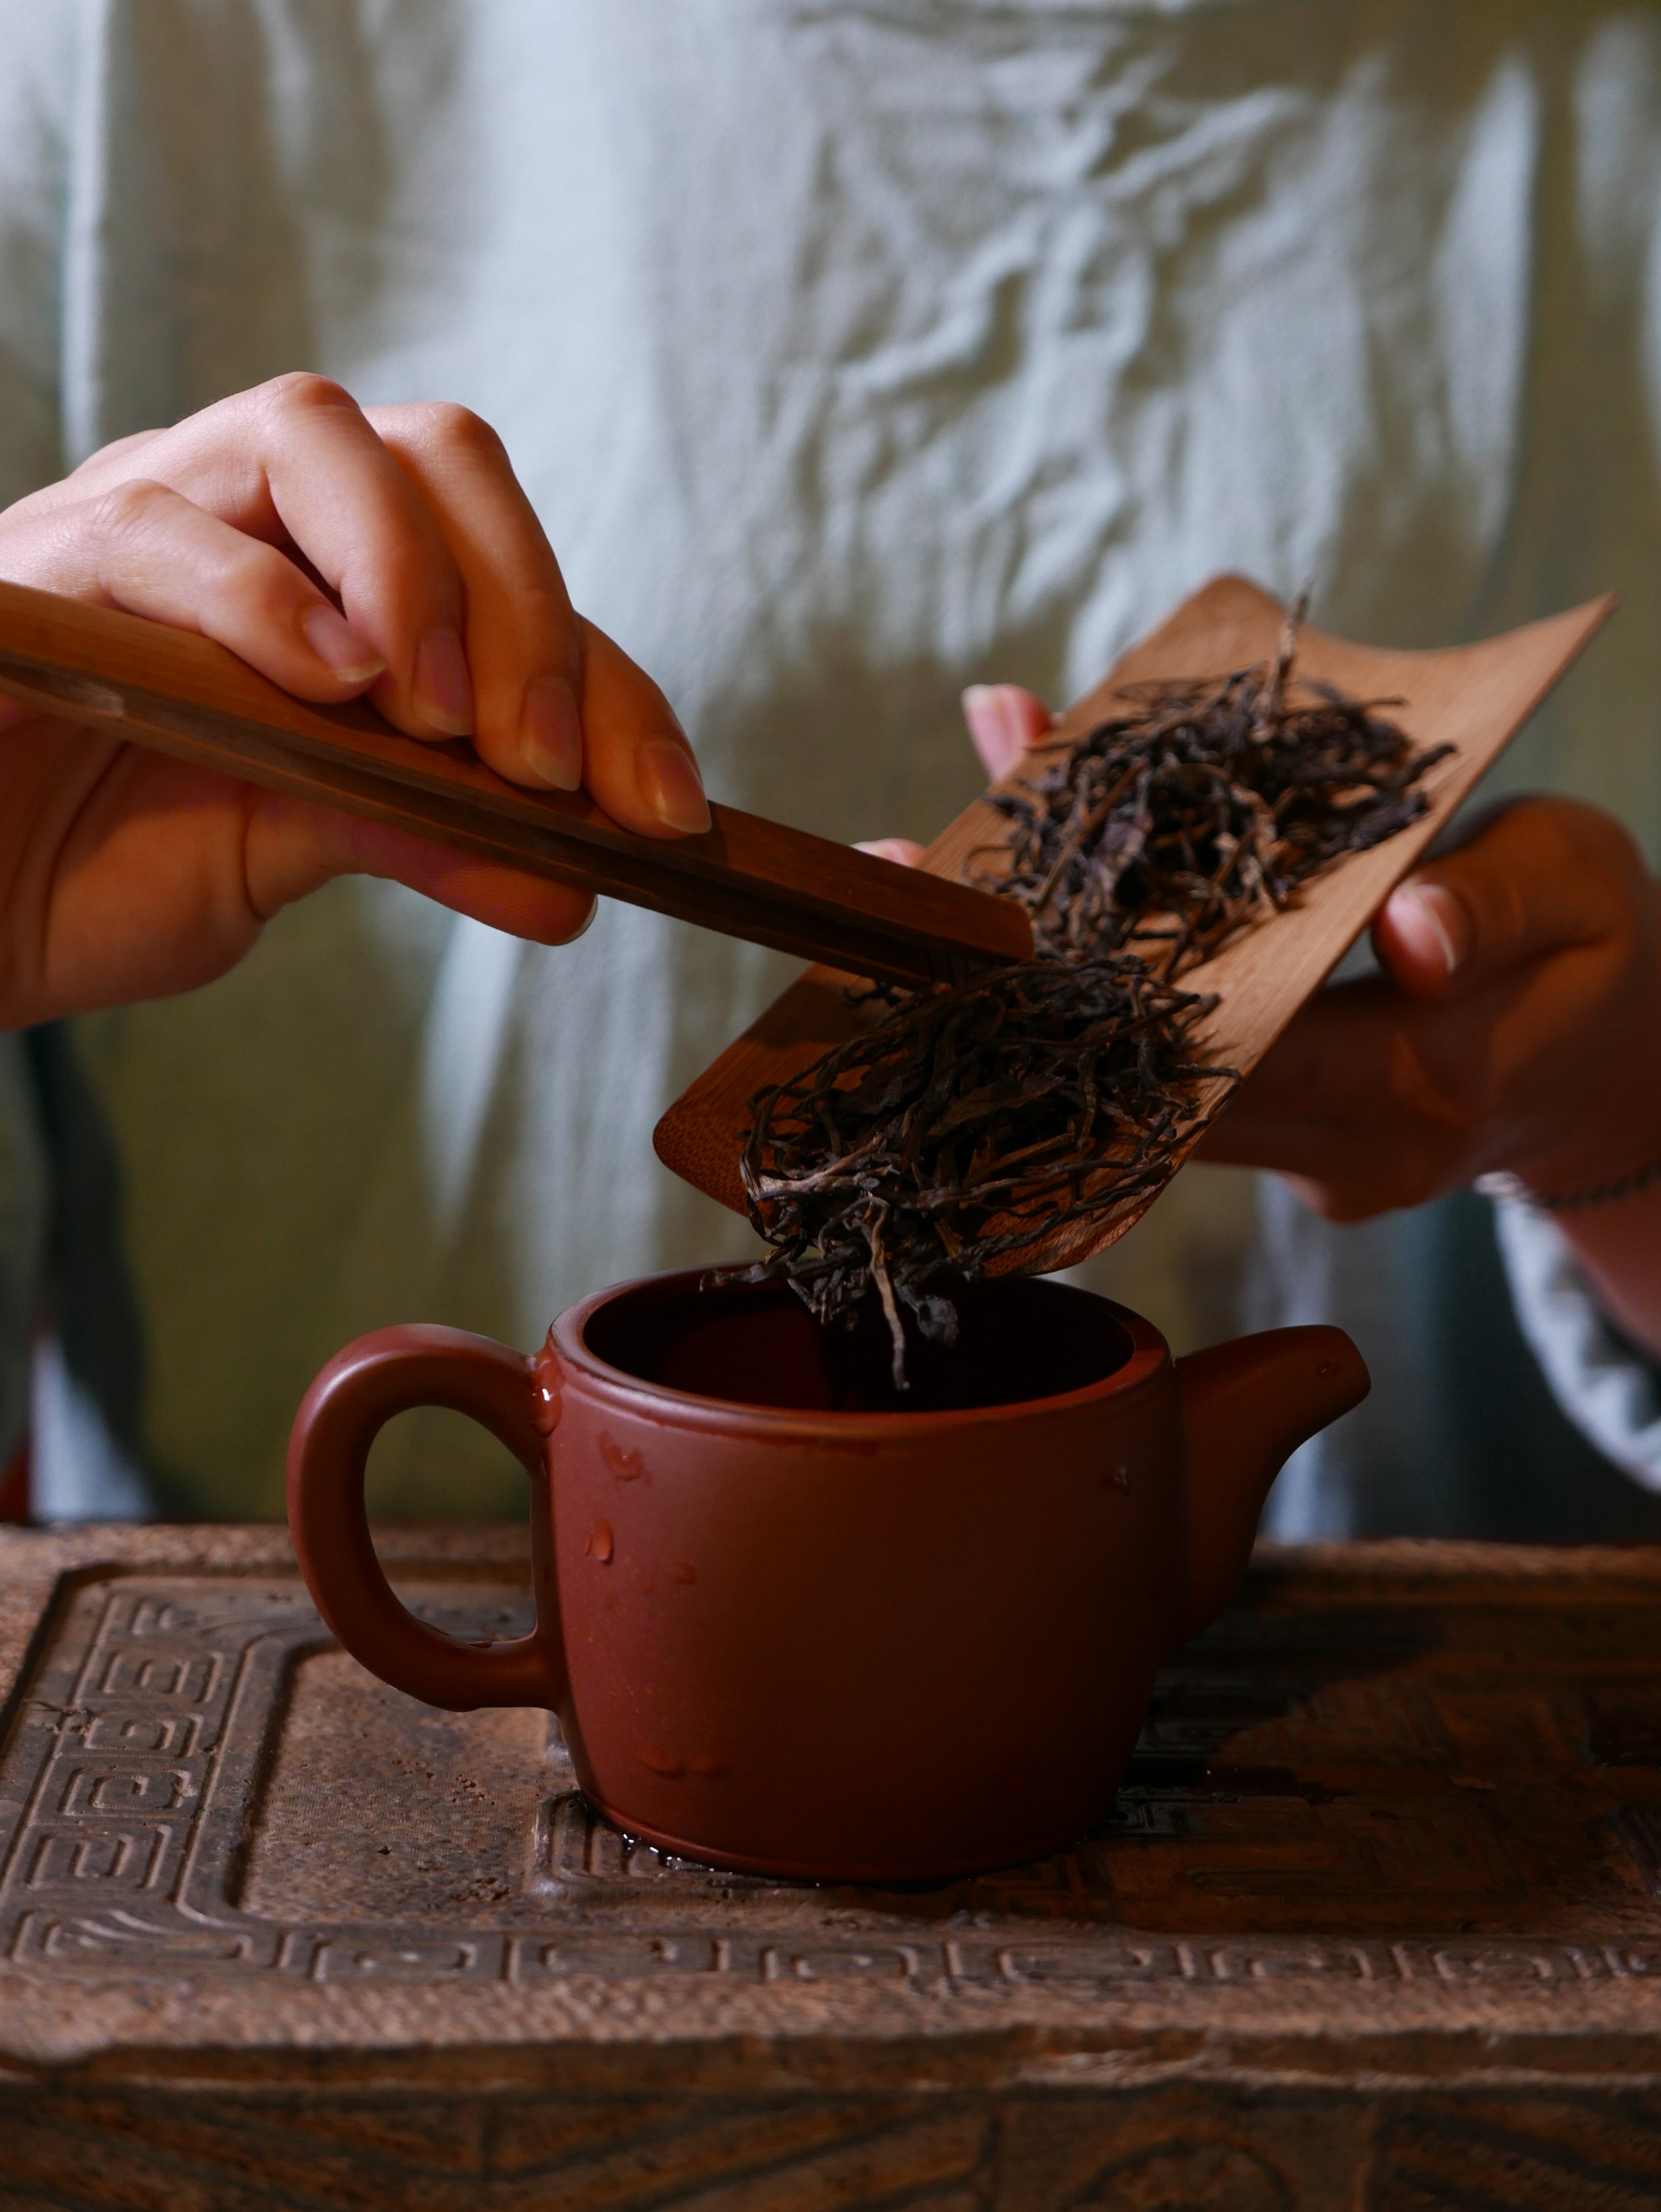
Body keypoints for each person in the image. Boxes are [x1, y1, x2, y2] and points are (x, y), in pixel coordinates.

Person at [2, 4, 1659, 1526]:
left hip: (1365, 1751)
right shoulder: (139, 52)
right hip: (315, 1674)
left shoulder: (1610, 102)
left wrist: (1622, 1129)